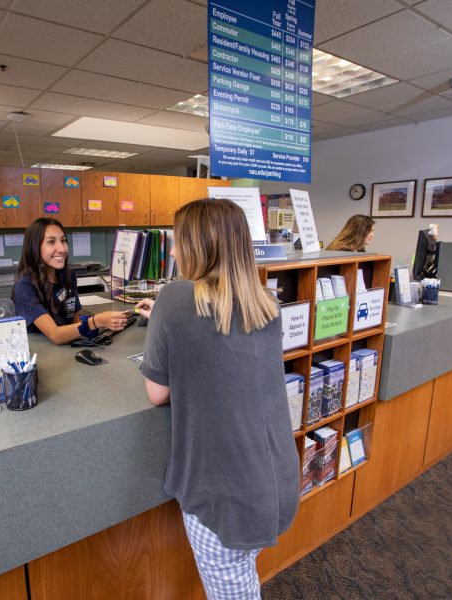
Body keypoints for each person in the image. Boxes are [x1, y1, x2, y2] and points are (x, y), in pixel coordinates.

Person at [136, 199, 300, 600]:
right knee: (242, 576)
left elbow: (157, 393)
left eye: (178, 243)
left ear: (198, 246)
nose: (173, 252)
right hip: (277, 483)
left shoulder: (175, 301)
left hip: (225, 497)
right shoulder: (267, 304)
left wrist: (160, 321)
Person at [12, 217, 129, 345]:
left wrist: (95, 325)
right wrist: (97, 321)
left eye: (63, 240)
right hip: (43, 353)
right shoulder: (24, 286)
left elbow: (74, 316)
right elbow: (55, 334)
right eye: (51, 242)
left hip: (67, 348)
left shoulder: (68, 275)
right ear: (34, 247)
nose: (62, 249)